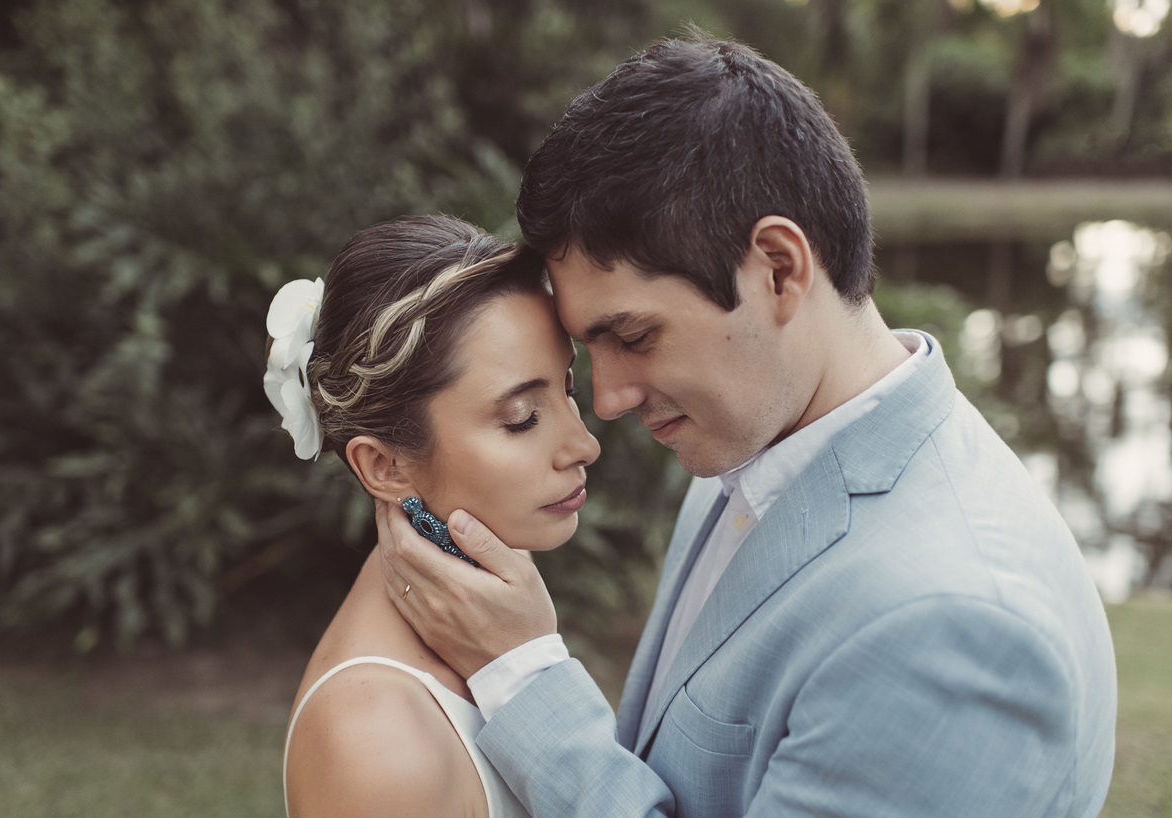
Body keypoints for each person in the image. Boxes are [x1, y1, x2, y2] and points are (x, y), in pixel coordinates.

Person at [376, 35, 1118, 818]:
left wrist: (523, 673)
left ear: (778, 268)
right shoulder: (760, 443)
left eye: (632, 337)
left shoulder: (950, 627)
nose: (609, 401)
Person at [266, 215, 600, 818]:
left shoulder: (497, 610)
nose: (584, 444)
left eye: (567, 388)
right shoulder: (378, 745)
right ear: (386, 467)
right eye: (522, 416)